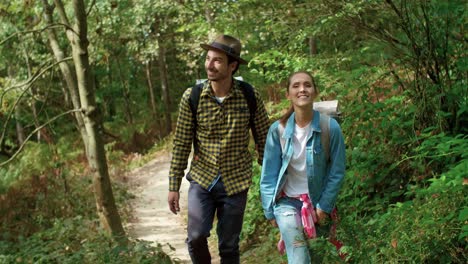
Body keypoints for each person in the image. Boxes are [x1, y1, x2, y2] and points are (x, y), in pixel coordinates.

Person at [167, 34, 270, 264]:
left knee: (229, 246)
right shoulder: (192, 97)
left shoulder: (249, 95)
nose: (209, 65)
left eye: (217, 61)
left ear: (232, 66)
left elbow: (265, 139)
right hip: (203, 178)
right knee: (195, 237)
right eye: (208, 58)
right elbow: (182, 142)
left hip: (236, 181)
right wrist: (174, 185)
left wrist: (270, 182)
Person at [260, 71, 346, 263]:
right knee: (299, 258)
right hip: (286, 204)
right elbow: (268, 174)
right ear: (288, 94)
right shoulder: (278, 130)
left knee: (321, 257)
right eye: (296, 86)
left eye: (307, 85)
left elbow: (337, 171)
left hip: (319, 203)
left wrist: (324, 205)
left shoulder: (330, 127)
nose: (302, 89)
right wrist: (269, 210)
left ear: (315, 91)